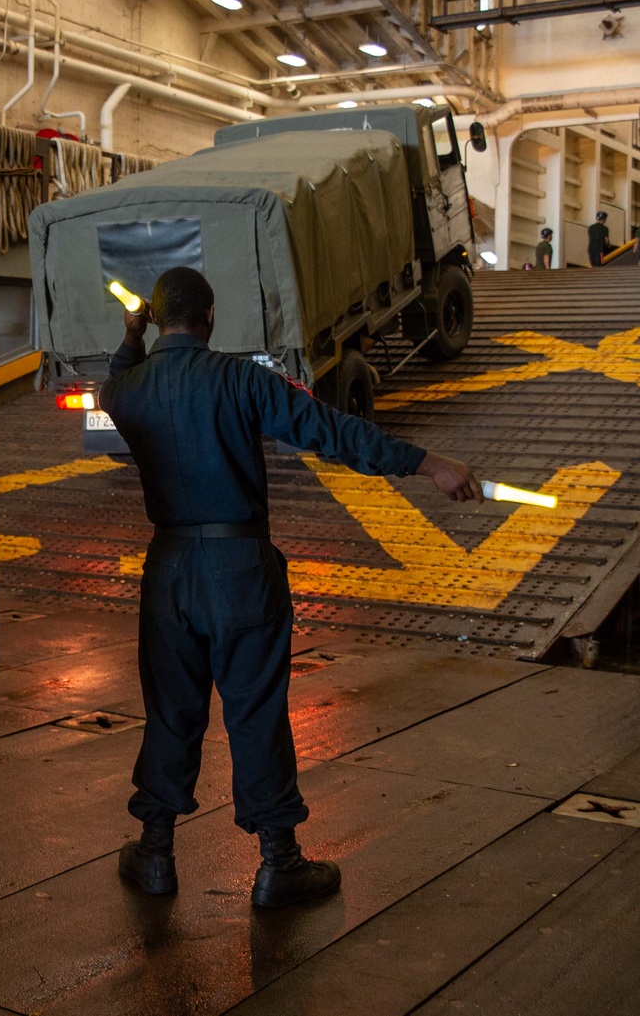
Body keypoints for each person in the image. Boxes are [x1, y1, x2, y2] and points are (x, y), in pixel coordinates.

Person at [100, 266, 481, 908]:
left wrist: (132, 339)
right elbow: (331, 432)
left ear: (156, 320)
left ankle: (157, 853)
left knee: (171, 711)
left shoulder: (128, 389)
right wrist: (426, 461)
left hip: (167, 572)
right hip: (240, 567)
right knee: (255, 713)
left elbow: (114, 382)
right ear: (212, 316)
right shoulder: (241, 380)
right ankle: (278, 864)